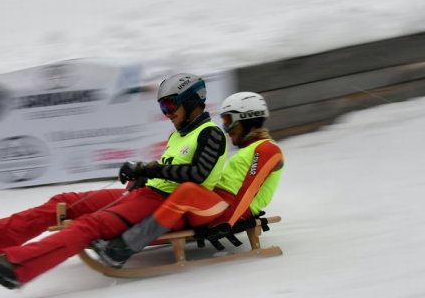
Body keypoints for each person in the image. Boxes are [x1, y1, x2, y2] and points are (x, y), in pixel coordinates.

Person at [0, 73, 227, 289]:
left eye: (170, 105)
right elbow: (168, 168)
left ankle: (16, 266)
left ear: (191, 101)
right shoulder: (179, 135)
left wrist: (147, 169)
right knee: (65, 203)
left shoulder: (210, 134)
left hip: (169, 206)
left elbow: (197, 174)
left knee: (89, 226)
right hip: (146, 195)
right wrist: (140, 175)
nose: (167, 113)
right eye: (163, 107)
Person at [91, 91, 284, 267]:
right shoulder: (249, 150)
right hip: (212, 202)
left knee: (184, 193)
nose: (225, 128)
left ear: (247, 119)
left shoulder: (268, 149)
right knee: (156, 197)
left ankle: (122, 248)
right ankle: (112, 233)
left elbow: (248, 191)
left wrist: (227, 222)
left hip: (227, 209)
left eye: (227, 120)